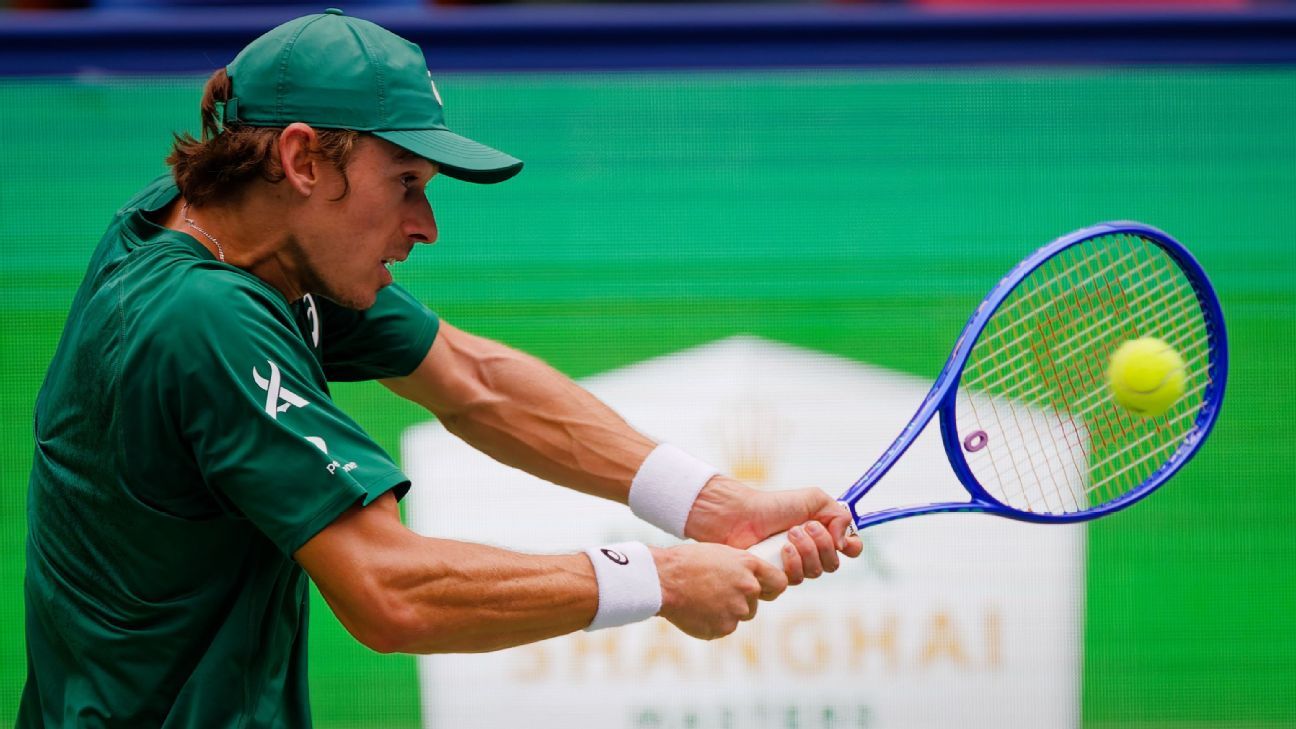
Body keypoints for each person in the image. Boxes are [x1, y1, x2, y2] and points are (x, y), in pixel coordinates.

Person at [20, 9, 862, 727]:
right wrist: (659, 578)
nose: (426, 225)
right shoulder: (206, 319)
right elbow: (391, 589)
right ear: (304, 158)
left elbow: (473, 379)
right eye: (406, 181)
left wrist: (710, 503)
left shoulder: (229, 232)